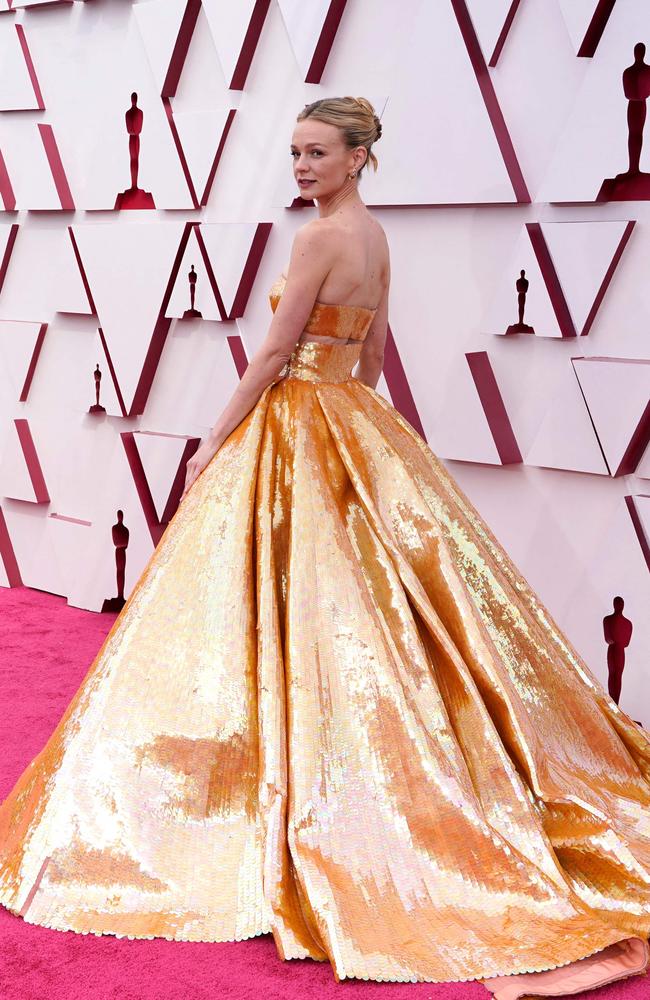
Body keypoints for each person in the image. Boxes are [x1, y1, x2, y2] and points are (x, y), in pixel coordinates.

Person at [1, 97, 649, 999]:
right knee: (367, 606)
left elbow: (270, 356)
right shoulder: (376, 236)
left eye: (317, 154)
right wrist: (351, 416)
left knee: (289, 607)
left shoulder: (316, 242)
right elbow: (375, 356)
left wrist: (214, 443)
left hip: (297, 423)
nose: (300, 167)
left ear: (357, 157)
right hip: (353, 418)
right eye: (296, 153)